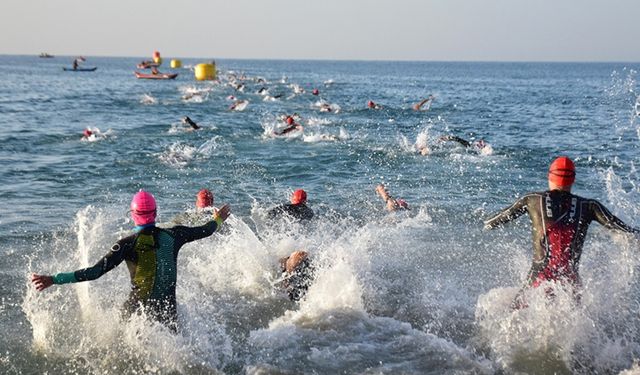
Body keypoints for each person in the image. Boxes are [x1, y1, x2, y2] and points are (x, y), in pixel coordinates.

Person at [31, 190, 231, 332]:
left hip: (137, 315)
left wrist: (55, 279)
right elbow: (207, 230)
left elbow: (94, 272)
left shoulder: (126, 244)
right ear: (155, 213)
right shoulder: (175, 235)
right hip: (168, 312)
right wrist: (218, 219)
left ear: (133, 215)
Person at [484, 156, 639, 307]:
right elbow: (624, 230)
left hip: (538, 279)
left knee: (513, 316)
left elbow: (492, 223)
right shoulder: (589, 206)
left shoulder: (532, 200)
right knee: (577, 323)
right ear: (573, 180)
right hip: (569, 282)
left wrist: (483, 221)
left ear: (549, 176)